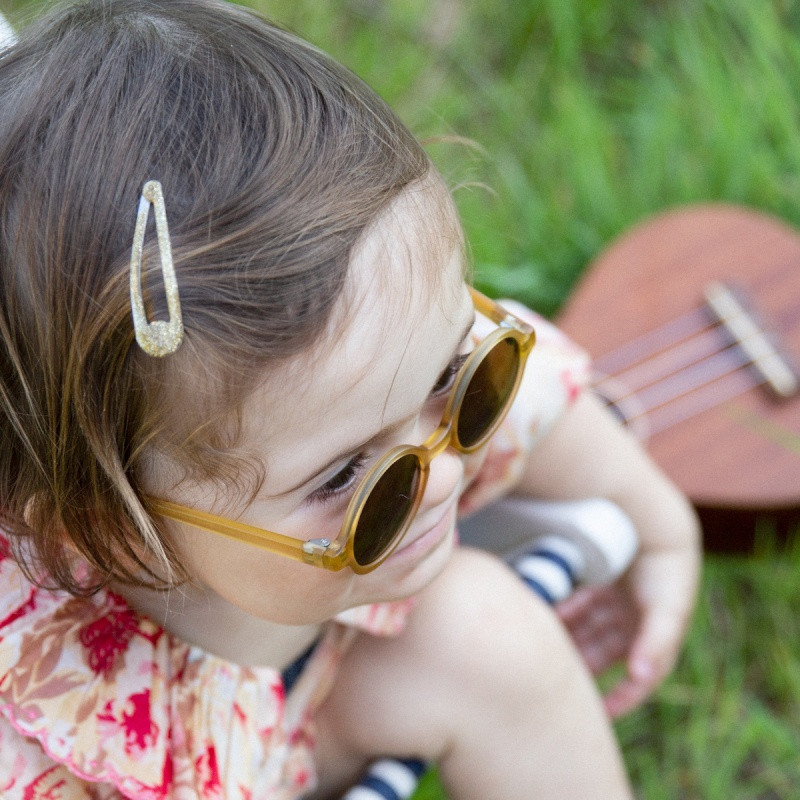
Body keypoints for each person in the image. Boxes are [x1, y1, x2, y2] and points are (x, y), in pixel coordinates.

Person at [0, 2, 700, 798]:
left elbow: (551, 406)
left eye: (459, 383)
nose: (439, 471)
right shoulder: (42, 747)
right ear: (116, 532)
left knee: (487, 633)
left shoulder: (379, 381)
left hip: (318, 689)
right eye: (342, 478)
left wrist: (659, 526)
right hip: (186, 756)